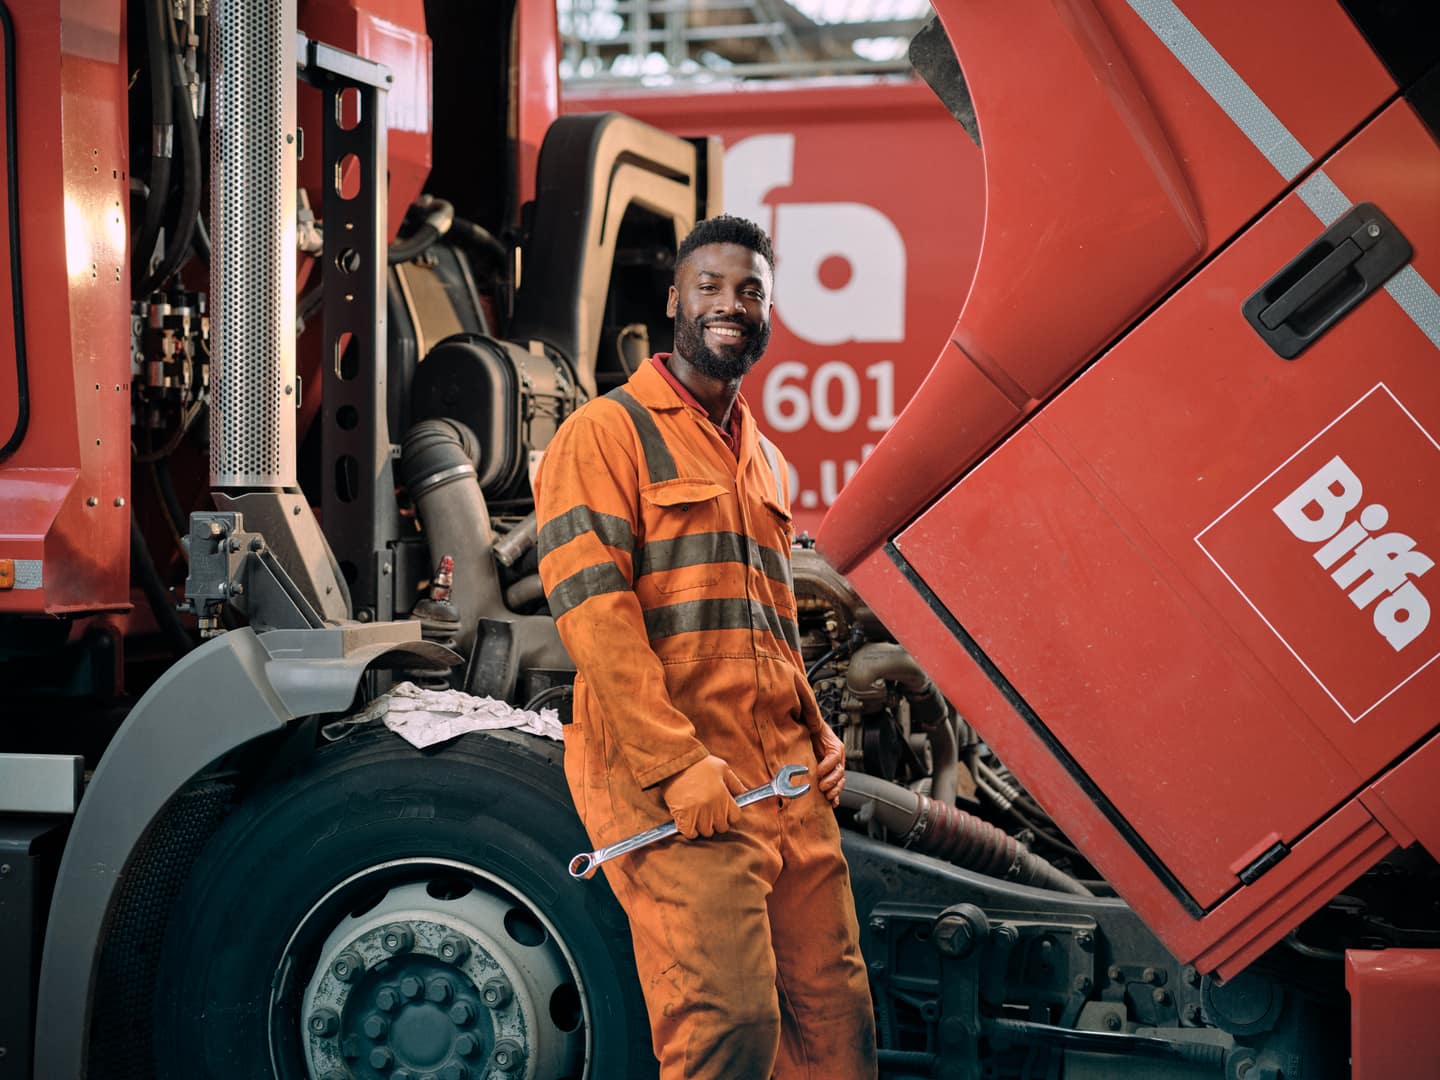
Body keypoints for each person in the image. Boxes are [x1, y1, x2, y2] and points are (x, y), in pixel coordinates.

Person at [535, 214, 877, 1078]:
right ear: (673, 302)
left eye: (751, 290)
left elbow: (769, 617)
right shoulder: (605, 434)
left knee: (839, 1028)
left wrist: (818, 730)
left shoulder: (761, 456)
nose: (733, 303)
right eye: (712, 287)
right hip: (681, 784)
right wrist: (673, 763)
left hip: (785, 777)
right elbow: (594, 611)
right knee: (727, 1028)